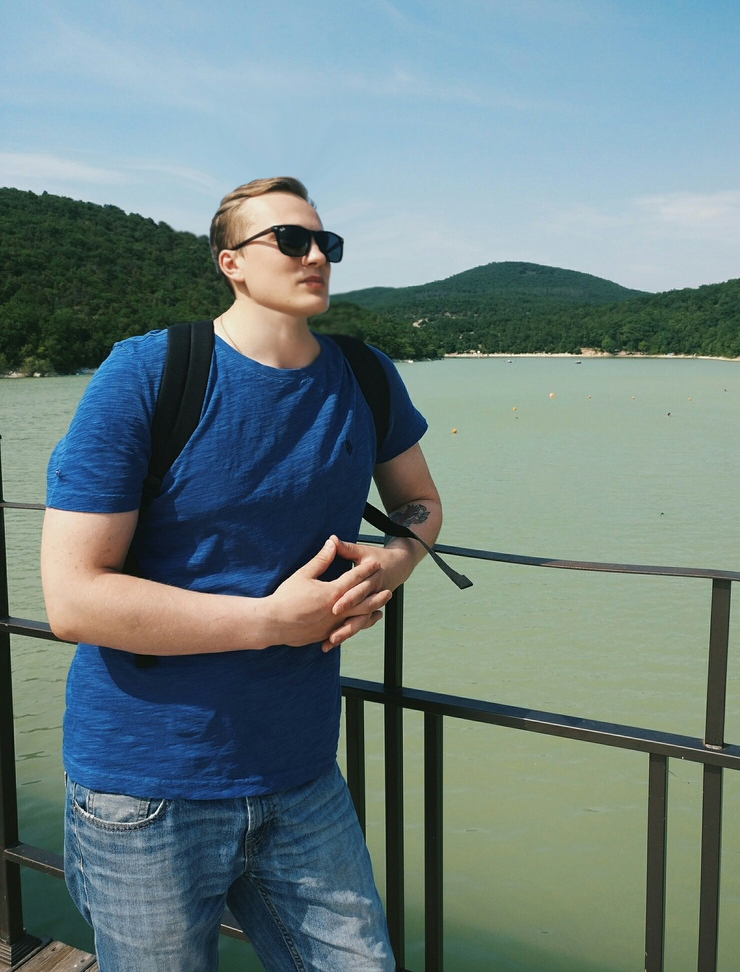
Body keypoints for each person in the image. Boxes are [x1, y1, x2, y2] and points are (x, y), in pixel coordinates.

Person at [40, 176, 442, 972]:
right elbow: (73, 598)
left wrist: (396, 560)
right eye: (291, 240)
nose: (315, 255)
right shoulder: (147, 375)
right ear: (231, 262)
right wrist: (271, 622)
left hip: (301, 774)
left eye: (326, 242)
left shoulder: (365, 376)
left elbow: (420, 503)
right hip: (147, 784)